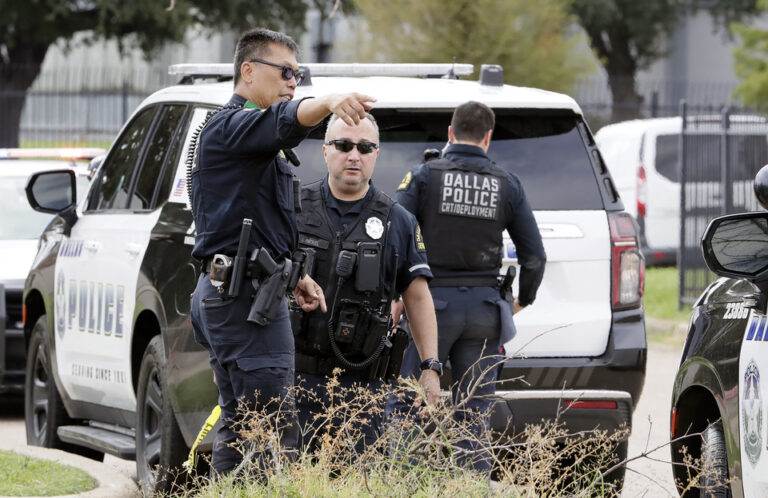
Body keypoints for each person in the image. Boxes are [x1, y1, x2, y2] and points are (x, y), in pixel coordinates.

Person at [189, 27, 376, 476]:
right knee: (271, 431)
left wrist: (296, 276)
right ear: (248, 71)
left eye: (300, 74)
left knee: (247, 425)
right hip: (242, 301)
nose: (294, 82)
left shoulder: (249, 142)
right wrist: (328, 102)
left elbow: (256, 224)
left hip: (248, 292)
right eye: (286, 71)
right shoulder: (232, 126)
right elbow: (286, 121)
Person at [389, 101, 546, 473]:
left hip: (428, 307)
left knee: (410, 405)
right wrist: (524, 298)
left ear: (449, 133)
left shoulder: (424, 176)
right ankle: (470, 488)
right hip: (483, 313)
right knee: (473, 416)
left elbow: (395, 235)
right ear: (488, 138)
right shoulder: (507, 184)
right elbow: (535, 255)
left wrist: (396, 296)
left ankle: (399, 485)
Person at [291, 113, 440, 457]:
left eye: (364, 147)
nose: (353, 155)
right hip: (294, 381)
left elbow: (417, 298)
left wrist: (430, 366)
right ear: (325, 151)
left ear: (376, 155)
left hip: (362, 390)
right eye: (343, 145)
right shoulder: (293, 207)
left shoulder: (398, 220)